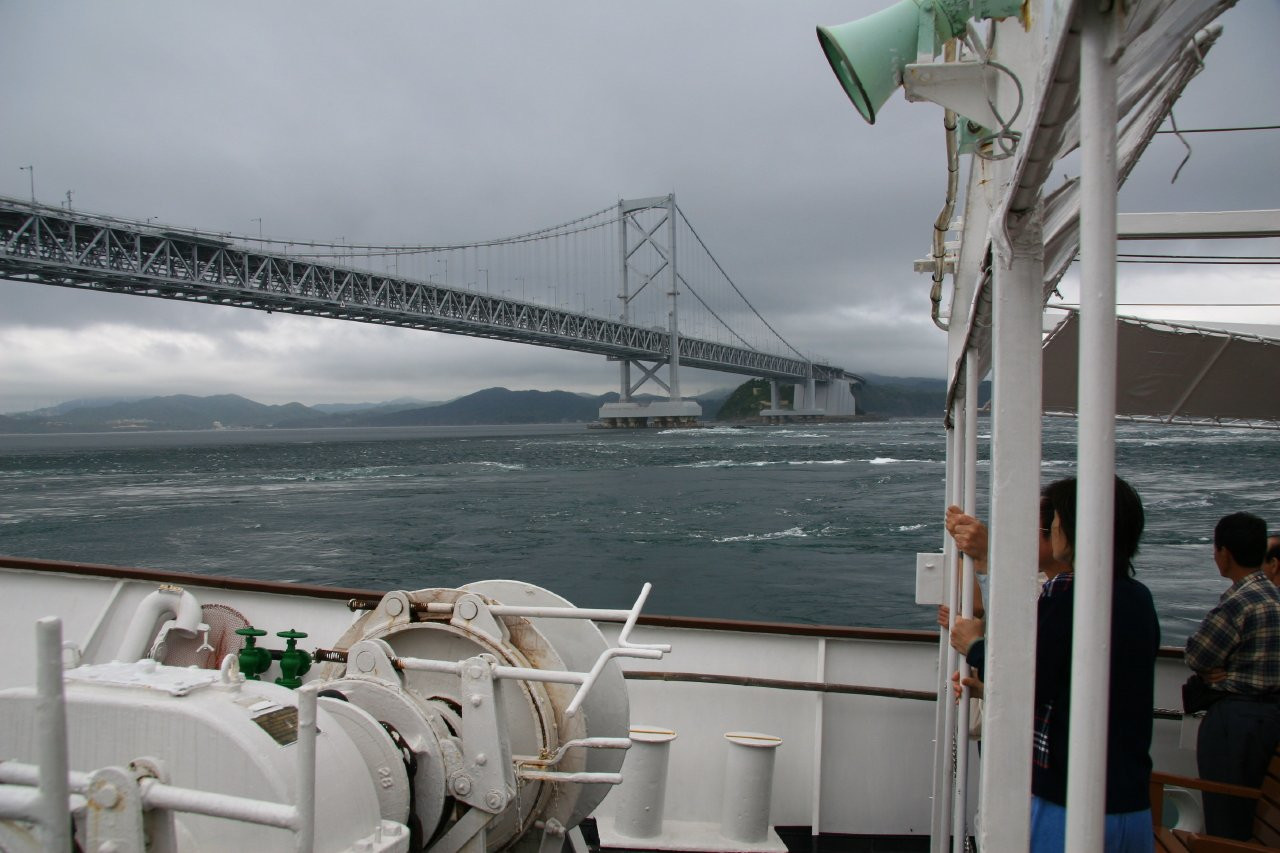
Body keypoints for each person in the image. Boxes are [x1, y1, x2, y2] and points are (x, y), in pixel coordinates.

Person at [1027, 477, 1159, 853]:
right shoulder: (1137, 597)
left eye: (1052, 523)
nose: (1050, 530)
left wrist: (974, 648)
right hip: (1131, 803)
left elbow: (1028, 682)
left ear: (1071, 528)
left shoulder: (1065, 595)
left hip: (1069, 802)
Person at [1185, 512, 1280, 840]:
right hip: (1271, 717)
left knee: (1225, 816)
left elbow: (1198, 655)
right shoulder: (1274, 596)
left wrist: (1215, 674)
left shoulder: (1238, 603)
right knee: (1249, 817)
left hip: (1235, 721)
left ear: (1225, 553)